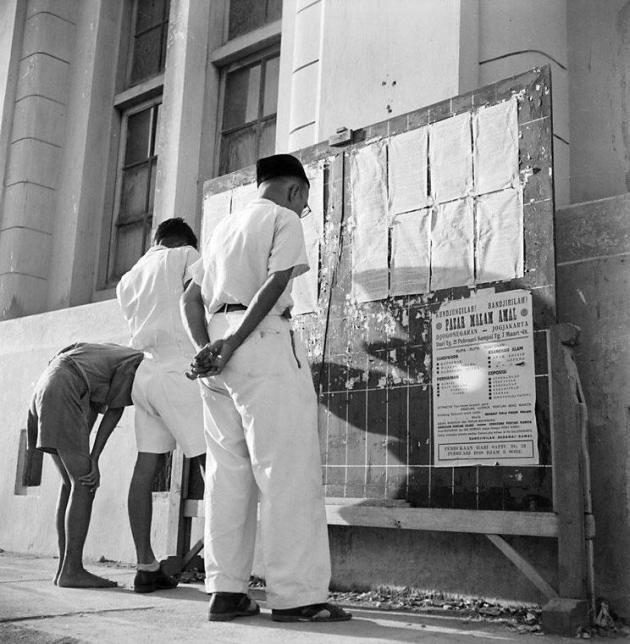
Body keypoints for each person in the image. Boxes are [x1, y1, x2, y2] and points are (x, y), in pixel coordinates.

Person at [181, 153, 351, 623]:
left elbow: (190, 298)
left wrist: (207, 348)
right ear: (295, 191)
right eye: (305, 202)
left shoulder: (220, 231)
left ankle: (226, 591)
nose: (303, 211)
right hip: (262, 344)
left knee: (227, 474)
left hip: (215, 352)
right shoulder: (283, 219)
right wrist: (236, 342)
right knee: (286, 470)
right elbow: (278, 282)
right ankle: (297, 596)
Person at [116, 217, 206, 593]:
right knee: (212, 464)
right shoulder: (187, 255)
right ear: (184, 240)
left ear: (156, 240)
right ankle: (223, 570)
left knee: (145, 467)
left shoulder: (129, 277)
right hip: (179, 371)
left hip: (145, 374)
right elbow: (198, 300)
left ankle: (145, 566)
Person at [26, 342, 144, 588]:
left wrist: (87, 456)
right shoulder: (137, 361)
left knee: (71, 484)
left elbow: (88, 415)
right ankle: (72, 570)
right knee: (85, 483)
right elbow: (115, 410)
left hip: (44, 386)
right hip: (62, 387)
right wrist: (95, 458)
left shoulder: (103, 357)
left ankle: (63, 569)